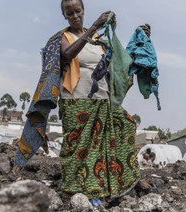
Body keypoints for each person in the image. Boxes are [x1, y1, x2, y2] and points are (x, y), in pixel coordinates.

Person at [57, 0, 151, 199]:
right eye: (70, 12)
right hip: (76, 100)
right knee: (79, 147)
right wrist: (93, 28)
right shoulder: (64, 37)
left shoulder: (98, 39)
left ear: (83, 11)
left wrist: (140, 39)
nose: (75, 16)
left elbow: (119, 61)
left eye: (78, 11)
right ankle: (75, 189)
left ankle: (125, 180)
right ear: (64, 15)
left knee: (125, 125)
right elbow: (67, 54)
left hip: (102, 99)